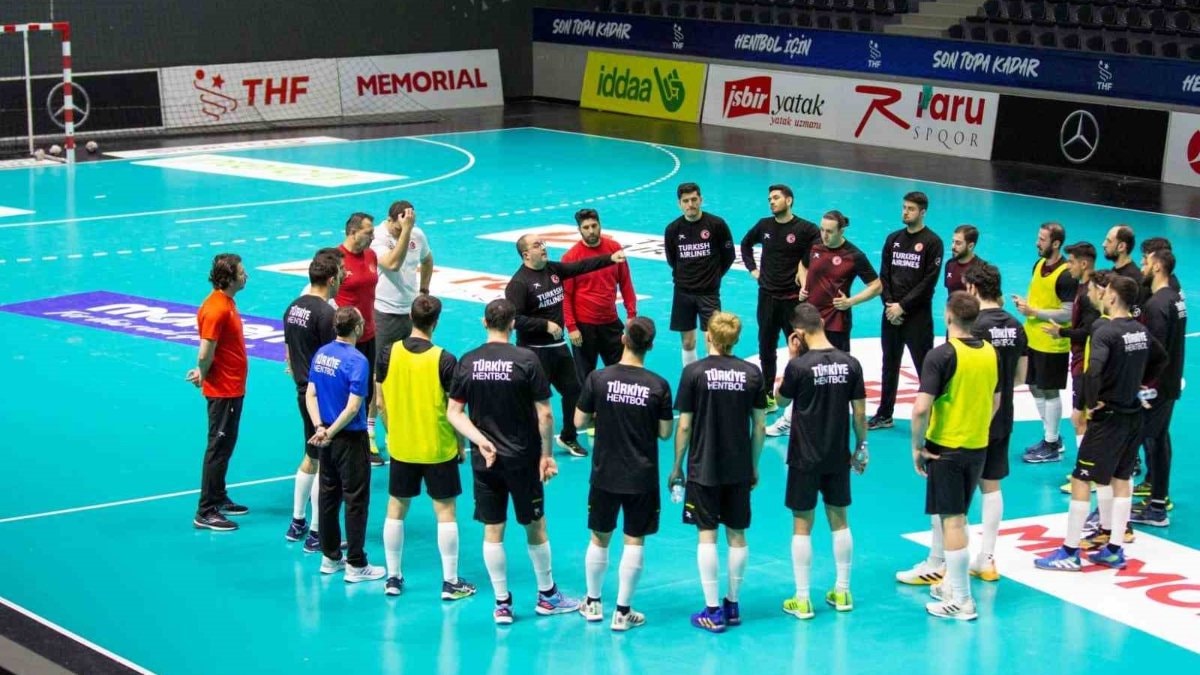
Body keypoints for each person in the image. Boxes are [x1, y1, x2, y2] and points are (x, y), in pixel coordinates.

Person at [447, 299, 581, 625]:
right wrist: (547, 456)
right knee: (535, 526)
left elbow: (454, 413)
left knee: (493, 530)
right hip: (523, 459)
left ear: (484, 322)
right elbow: (545, 414)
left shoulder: (468, 361)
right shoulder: (526, 360)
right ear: (512, 325)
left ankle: (502, 603)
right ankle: (547, 596)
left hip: (486, 462)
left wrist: (480, 441)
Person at [1036, 276, 1166, 572]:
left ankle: (1070, 552)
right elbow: (1161, 358)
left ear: (1113, 298)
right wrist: (1141, 383)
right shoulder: (1140, 330)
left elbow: (1092, 371)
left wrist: (1091, 403)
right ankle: (1114, 550)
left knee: (1082, 480)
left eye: (1106, 292)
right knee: (1121, 479)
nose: (1103, 295)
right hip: (1133, 416)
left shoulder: (1105, 331)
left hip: (1107, 419)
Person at [668, 312, 767, 633]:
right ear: (735, 340)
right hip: (738, 468)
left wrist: (677, 466)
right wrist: (753, 465)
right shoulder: (752, 373)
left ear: (709, 336)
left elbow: (684, 426)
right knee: (737, 535)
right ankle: (732, 604)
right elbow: (760, 426)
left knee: (706, 534)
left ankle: (712, 610)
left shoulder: (693, 373)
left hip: (704, 467)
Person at [574, 317, 673, 631]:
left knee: (599, 537)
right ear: (650, 346)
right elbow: (665, 433)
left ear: (623, 340)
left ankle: (592, 603)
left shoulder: (598, 378)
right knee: (634, 540)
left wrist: (603, 418)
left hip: (605, 472)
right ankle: (622, 613)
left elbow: (578, 422)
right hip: (641, 476)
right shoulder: (658, 385)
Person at [905, 292, 998, 621]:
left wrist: (917, 447)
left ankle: (961, 600)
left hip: (946, 447)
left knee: (952, 520)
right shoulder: (989, 352)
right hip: (977, 444)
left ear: (948, 317)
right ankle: (951, 587)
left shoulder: (941, 355)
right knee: (959, 517)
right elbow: (995, 400)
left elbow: (921, 409)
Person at [772, 303, 867, 620]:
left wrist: (791, 358)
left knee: (802, 526)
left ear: (797, 333)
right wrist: (861, 448)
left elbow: (780, 401)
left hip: (804, 456)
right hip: (837, 455)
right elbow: (860, 413)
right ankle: (843, 591)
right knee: (840, 521)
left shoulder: (799, 367)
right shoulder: (850, 363)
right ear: (822, 324)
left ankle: (802, 599)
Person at [377, 295, 476, 599]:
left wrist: (393, 433)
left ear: (410, 317)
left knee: (396, 509)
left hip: (401, 446)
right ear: (436, 322)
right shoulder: (445, 360)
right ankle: (450, 582)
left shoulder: (388, 353)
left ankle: (393, 577)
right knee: (445, 512)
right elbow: (455, 409)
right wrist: (460, 444)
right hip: (438, 447)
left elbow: (380, 402)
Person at [505, 234, 626, 458]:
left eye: (543, 243)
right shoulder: (518, 284)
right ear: (526, 254)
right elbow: (514, 319)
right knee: (531, 400)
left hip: (559, 348)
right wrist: (544, 325)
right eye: (537, 245)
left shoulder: (552, 269)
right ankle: (525, 442)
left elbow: (580, 266)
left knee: (574, 391)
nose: (543, 247)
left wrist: (609, 258)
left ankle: (568, 436)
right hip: (534, 352)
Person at [769, 209, 880, 438]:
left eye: (829, 231)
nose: (824, 235)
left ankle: (834, 422)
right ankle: (789, 420)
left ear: (842, 231)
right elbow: (802, 265)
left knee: (836, 375)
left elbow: (876, 285)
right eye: (822, 230)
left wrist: (850, 301)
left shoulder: (854, 255)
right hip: (809, 321)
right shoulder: (815, 246)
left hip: (836, 324)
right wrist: (804, 285)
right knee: (801, 369)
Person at [305, 306, 386, 583]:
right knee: (355, 500)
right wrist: (331, 431)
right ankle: (356, 564)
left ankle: (330, 558)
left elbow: (311, 394)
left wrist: (320, 428)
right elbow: (353, 408)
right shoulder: (358, 360)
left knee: (328, 496)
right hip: (349, 438)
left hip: (325, 435)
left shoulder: (322, 353)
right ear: (358, 328)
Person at [961, 263, 1027, 582]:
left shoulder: (972, 327)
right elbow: (1021, 376)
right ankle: (986, 558)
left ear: (973, 289)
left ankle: (948, 559)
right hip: (1003, 416)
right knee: (992, 485)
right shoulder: (1016, 326)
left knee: (957, 490)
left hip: (971, 418)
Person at [739, 184, 820, 413]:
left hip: (793, 300)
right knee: (766, 347)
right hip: (767, 297)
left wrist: (803, 268)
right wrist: (753, 270)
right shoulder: (764, 225)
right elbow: (745, 244)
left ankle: (801, 393)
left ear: (789, 200)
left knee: (799, 347)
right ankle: (768, 395)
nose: (772, 202)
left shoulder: (806, 229)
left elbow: (817, 252)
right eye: (770, 199)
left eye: (776, 198)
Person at [283, 251, 342, 550]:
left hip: (302, 389)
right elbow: (332, 359)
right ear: (331, 279)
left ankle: (297, 521)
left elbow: (288, 352)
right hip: (322, 396)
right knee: (326, 464)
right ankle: (319, 532)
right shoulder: (326, 314)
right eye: (340, 275)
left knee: (311, 455)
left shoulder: (293, 307)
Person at [870, 192, 943, 430]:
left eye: (911, 209)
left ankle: (934, 417)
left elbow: (928, 282)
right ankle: (884, 414)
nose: (905, 212)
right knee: (889, 364)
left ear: (923, 212)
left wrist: (902, 306)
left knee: (925, 366)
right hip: (890, 312)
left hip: (917, 316)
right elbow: (884, 275)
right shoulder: (893, 239)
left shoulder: (933, 242)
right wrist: (890, 304)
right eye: (904, 207)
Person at [187, 253, 250, 532]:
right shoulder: (216, 309)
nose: (246, 276)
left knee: (226, 446)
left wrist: (202, 370)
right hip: (223, 390)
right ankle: (206, 510)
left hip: (232, 387)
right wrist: (202, 371)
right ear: (229, 278)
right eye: (242, 272)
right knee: (218, 448)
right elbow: (205, 350)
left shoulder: (227, 302)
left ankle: (218, 496)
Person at [1012, 222, 1077, 464]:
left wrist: (1034, 311)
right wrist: (1026, 305)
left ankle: (1051, 444)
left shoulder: (1067, 275)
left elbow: (1068, 313)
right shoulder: (1038, 264)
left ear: (1056, 243)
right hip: (1033, 339)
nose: (1037, 243)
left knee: (1049, 390)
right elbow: (1041, 298)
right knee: (1033, 386)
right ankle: (1052, 437)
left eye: (1042, 239)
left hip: (1052, 341)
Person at [1131, 249, 1186, 527]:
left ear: (1157, 267)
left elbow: (1155, 352)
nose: (1142, 266)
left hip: (1155, 389)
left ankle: (1152, 510)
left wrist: (1144, 387)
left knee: (1136, 443)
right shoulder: (1176, 299)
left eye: (1145, 262)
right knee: (1159, 441)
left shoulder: (1155, 305)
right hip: (1169, 384)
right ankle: (1157, 504)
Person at [562, 208, 637, 392]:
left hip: (610, 323)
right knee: (585, 379)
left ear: (600, 225)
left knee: (622, 374)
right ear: (579, 230)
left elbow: (626, 283)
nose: (591, 231)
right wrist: (571, 327)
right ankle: (588, 410)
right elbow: (566, 295)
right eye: (586, 227)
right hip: (583, 328)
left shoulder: (614, 248)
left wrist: (631, 314)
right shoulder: (571, 257)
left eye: (594, 226)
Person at [372, 199, 433, 419]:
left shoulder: (417, 234)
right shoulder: (377, 237)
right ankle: (371, 422)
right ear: (389, 220)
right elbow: (392, 264)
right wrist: (406, 231)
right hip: (384, 312)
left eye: (408, 226)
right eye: (398, 228)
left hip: (410, 313)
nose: (403, 231)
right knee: (379, 372)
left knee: (411, 366)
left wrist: (424, 290)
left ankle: (408, 413)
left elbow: (427, 260)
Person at [664, 182, 736, 366]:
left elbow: (729, 255)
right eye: (686, 201)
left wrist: (714, 277)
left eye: (694, 199)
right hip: (683, 293)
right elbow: (672, 260)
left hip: (709, 293)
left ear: (701, 200)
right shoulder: (672, 230)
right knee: (687, 342)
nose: (690, 204)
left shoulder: (717, 224)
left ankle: (711, 378)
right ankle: (691, 377)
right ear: (679, 204)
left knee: (713, 341)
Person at [334, 212, 385, 464]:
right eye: (369, 232)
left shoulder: (371, 255)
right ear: (353, 232)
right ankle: (340, 439)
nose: (373, 236)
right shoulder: (336, 259)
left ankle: (362, 439)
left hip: (369, 334)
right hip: (346, 339)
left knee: (366, 390)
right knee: (345, 391)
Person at [944, 225, 984, 295]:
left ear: (970, 246)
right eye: (953, 241)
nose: (953, 246)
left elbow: (997, 300)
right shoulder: (949, 264)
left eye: (958, 243)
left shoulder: (982, 270)